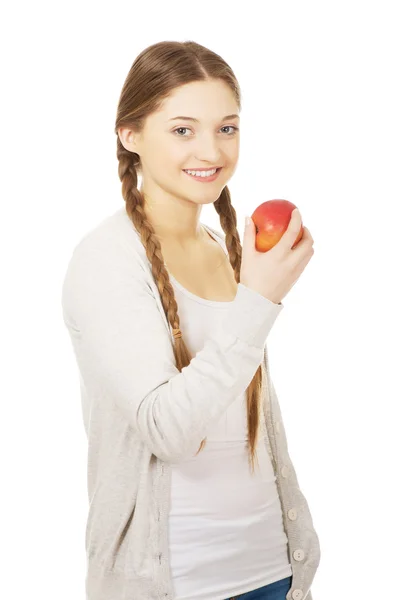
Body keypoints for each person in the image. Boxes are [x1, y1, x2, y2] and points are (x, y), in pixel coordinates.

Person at [61, 40, 320, 600]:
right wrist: (259, 301)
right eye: (183, 129)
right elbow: (168, 431)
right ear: (130, 136)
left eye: (227, 128)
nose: (212, 149)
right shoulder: (106, 259)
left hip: (272, 570)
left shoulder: (226, 248)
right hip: (176, 585)